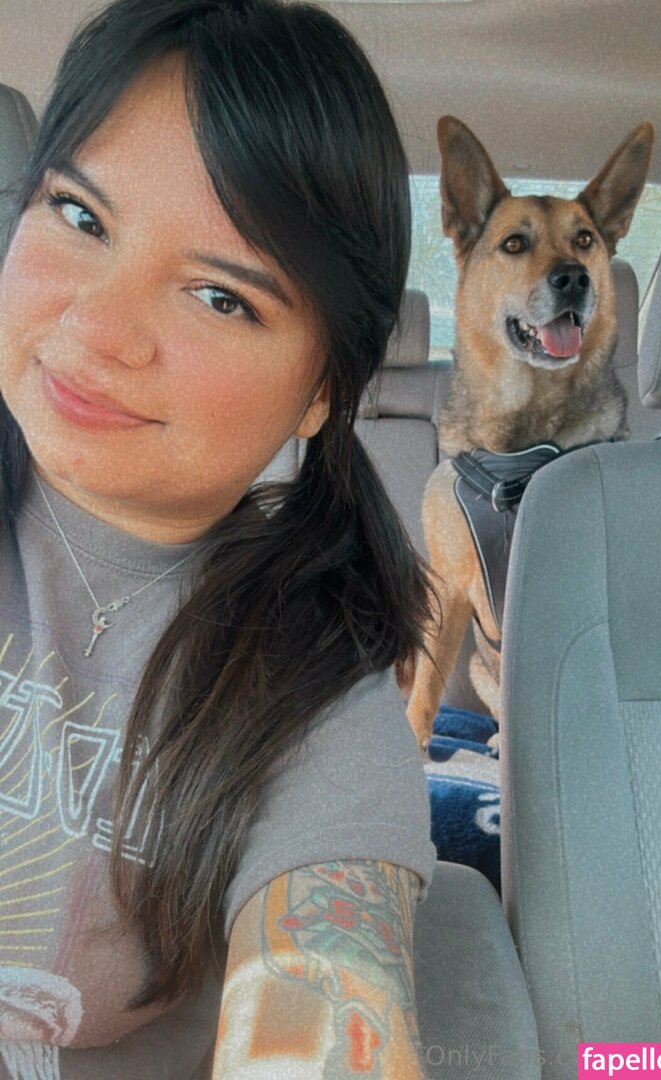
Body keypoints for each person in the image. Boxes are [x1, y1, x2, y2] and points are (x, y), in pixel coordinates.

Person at [0, 0, 438, 1075]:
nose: (98, 327)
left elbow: (325, 1000)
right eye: (80, 215)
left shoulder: (316, 693)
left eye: (219, 296)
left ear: (320, 392)